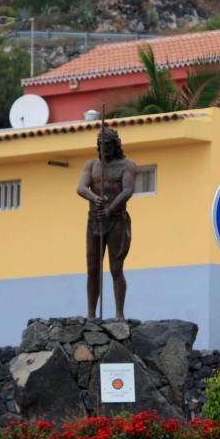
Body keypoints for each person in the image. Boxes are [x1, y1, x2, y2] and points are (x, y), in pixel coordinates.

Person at [76, 125, 136, 320]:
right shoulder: (91, 165)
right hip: (94, 221)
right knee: (93, 269)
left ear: (116, 145)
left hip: (116, 220)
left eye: (109, 145)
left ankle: (119, 313)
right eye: (102, 145)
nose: (105, 149)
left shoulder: (127, 165)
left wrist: (110, 209)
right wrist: (95, 198)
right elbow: (81, 187)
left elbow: (127, 191)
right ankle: (91, 313)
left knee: (116, 268)